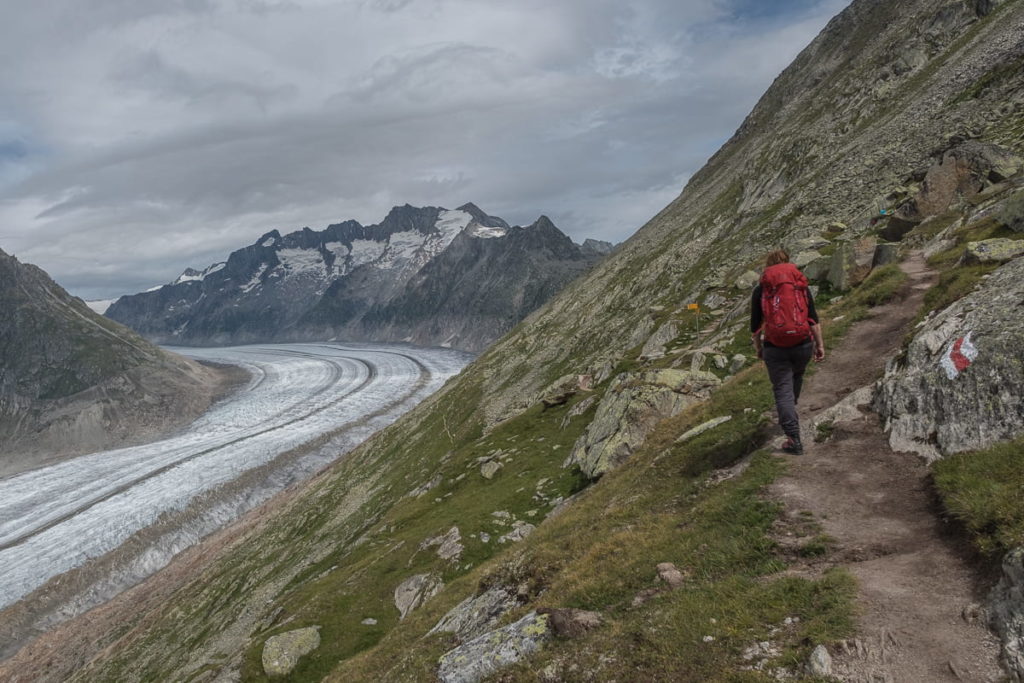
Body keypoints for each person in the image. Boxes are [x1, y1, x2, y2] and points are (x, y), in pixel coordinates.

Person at [750, 249, 825, 455]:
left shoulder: (762, 289)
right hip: (802, 344)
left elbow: (756, 326)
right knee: (797, 376)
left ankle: (793, 438)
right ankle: (789, 411)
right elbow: (813, 319)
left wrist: (759, 349)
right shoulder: (799, 285)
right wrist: (820, 345)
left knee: (782, 388)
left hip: (775, 348)